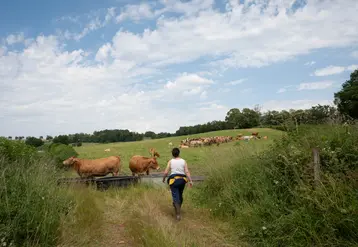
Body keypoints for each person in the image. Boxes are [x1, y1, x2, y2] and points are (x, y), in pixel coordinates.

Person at [162, 147, 193, 221]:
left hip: (174, 181)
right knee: (180, 195)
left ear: (172, 154)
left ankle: (178, 215)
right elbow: (187, 172)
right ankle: (178, 207)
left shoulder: (170, 161)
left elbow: (166, 172)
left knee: (176, 197)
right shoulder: (183, 161)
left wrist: (163, 179)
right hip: (182, 181)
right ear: (179, 153)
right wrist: (190, 180)